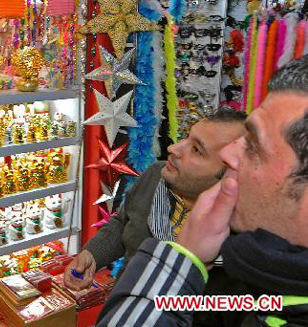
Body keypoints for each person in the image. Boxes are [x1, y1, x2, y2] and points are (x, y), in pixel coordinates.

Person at [98, 56, 308, 326]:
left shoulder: (239, 282)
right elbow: (122, 222)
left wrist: (181, 262)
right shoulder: (154, 179)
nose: (230, 155)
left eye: (253, 146)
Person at [66, 109, 247, 289]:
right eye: (186, 137)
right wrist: (93, 254)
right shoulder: (155, 176)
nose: (173, 148)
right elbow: (124, 222)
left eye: (196, 150)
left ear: (230, 175)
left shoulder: (237, 245)